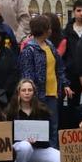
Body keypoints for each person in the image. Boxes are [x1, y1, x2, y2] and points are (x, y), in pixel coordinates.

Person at [18, 14, 71, 146]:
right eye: (49, 27)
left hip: (53, 93)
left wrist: (65, 84)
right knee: (40, 128)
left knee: (53, 125)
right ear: (44, 30)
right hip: (38, 95)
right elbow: (27, 76)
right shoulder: (29, 50)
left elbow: (59, 67)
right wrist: (31, 95)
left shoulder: (50, 45)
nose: (51, 30)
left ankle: (52, 154)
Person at [9, 78, 65, 162]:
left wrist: (37, 141)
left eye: (30, 90)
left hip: (39, 148)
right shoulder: (11, 111)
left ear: (34, 92)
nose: (27, 93)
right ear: (19, 92)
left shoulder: (42, 110)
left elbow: (47, 136)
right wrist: (24, 140)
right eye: (23, 90)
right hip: (20, 148)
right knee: (25, 146)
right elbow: (8, 137)